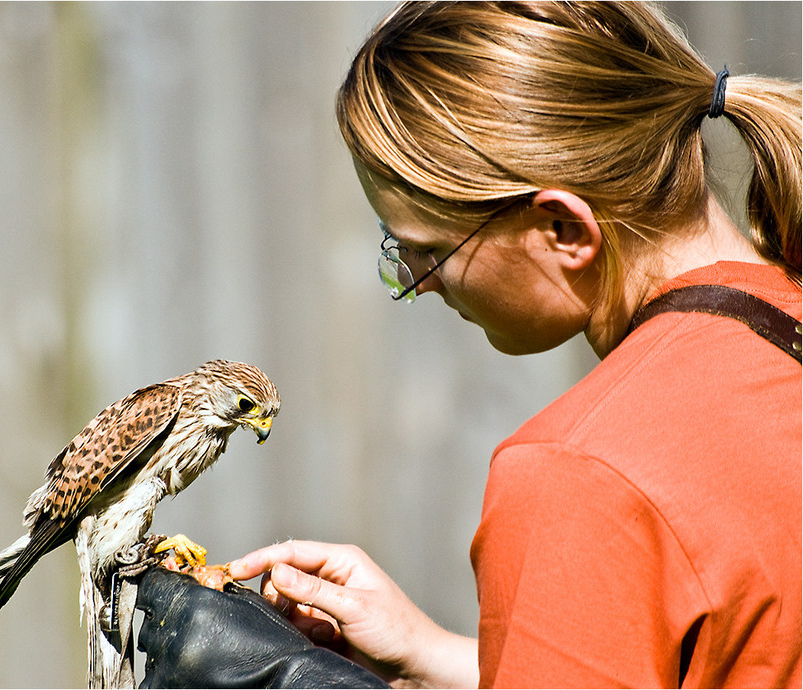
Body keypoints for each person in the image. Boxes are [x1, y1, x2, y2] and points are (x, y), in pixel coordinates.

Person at [135, 1, 802, 687]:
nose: (420, 285)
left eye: (427, 251)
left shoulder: (583, 475)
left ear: (563, 230)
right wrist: (428, 652)